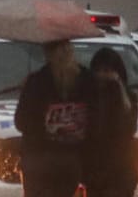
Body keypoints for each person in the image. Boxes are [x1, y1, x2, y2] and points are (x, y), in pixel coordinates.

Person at [15, 40, 94, 197]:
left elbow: (22, 121)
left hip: (40, 161)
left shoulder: (36, 82)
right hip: (73, 160)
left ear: (47, 54)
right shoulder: (88, 81)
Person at [84, 47, 138, 197]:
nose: (103, 75)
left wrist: (118, 85)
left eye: (107, 70)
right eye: (99, 70)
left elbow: (130, 123)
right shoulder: (88, 97)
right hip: (95, 171)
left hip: (120, 171)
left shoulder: (127, 97)